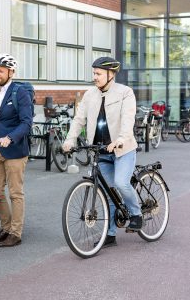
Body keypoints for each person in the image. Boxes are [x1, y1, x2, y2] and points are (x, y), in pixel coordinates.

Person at [62, 57, 142, 248]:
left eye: (98, 74)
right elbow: (79, 119)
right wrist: (69, 140)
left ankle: (136, 214)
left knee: (121, 183)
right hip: (100, 150)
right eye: (94, 73)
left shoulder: (125, 93)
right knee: (107, 193)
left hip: (122, 149)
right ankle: (110, 233)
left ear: (111, 74)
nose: (94, 77)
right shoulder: (90, 94)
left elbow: (128, 118)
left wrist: (121, 139)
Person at [0, 54, 33, 247]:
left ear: (11, 72)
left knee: (15, 193)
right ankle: (5, 227)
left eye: (1, 70)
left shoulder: (19, 93)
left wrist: (10, 137)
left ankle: (15, 232)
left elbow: (27, 122)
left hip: (15, 150)